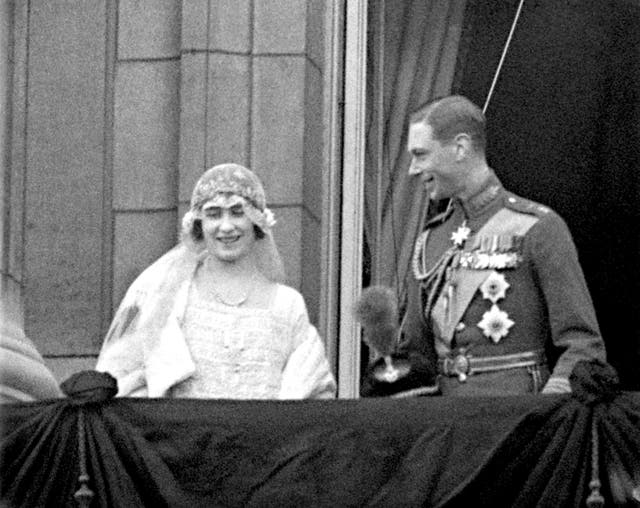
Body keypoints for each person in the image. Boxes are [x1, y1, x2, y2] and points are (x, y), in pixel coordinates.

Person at [395, 95, 606, 396]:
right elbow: (418, 357)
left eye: (421, 154)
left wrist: (543, 414)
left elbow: (582, 346)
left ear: (460, 148)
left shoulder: (538, 228)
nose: (413, 169)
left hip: (517, 421)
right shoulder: (431, 239)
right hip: (446, 425)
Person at [96, 163, 336, 399]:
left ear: (257, 222)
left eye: (237, 212)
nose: (226, 226)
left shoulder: (288, 304)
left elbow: (316, 394)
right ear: (199, 224)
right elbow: (123, 377)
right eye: (213, 214)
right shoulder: (167, 296)